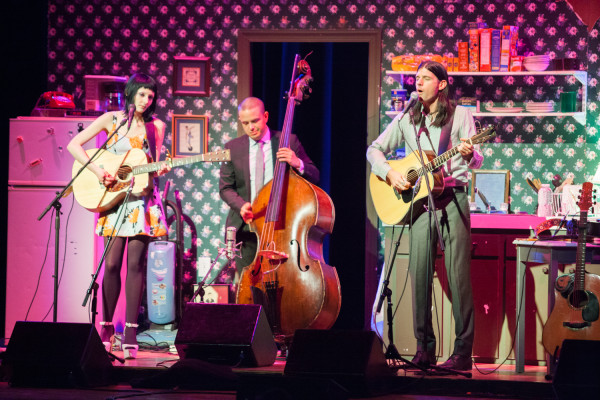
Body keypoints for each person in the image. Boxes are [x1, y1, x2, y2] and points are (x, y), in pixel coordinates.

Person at [367, 61, 483, 371]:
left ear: (442, 85)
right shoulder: (407, 118)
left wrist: (472, 154)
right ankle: (424, 350)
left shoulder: (461, 115)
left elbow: (476, 159)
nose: (418, 83)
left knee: (458, 279)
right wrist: (391, 174)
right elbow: (374, 150)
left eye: (426, 78)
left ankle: (461, 354)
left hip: (453, 199)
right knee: (419, 277)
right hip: (419, 204)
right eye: (416, 78)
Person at [67, 73, 170, 359]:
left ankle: (132, 332)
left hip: (141, 201)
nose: (146, 101)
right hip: (113, 199)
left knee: (135, 265)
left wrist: (158, 169)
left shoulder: (156, 127)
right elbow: (74, 145)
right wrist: (100, 172)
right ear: (131, 93)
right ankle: (106, 327)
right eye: (141, 94)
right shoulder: (111, 120)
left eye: (150, 96)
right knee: (111, 265)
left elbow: (153, 165)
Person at [219, 96, 320, 282]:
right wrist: (241, 206)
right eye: (245, 123)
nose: (251, 127)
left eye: (255, 120)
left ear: (265, 116)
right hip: (247, 229)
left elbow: (315, 175)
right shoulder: (232, 148)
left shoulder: (288, 140)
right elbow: (225, 188)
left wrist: (297, 162)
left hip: (281, 228)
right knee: (249, 285)